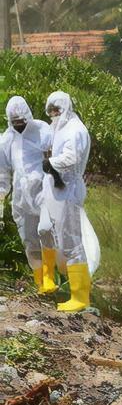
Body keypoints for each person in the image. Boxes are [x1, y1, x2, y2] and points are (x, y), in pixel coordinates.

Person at [39, 92, 93, 313]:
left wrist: (51, 162)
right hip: (54, 188)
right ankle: (49, 279)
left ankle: (80, 297)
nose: (53, 114)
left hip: (68, 189)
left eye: (57, 110)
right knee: (45, 230)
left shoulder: (75, 130)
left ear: (66, 108)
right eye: (50, 110)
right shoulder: (58, 128)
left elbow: (72, 158)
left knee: (71, 242)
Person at [0, 97, 53, 294]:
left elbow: (55, 155)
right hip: (21, 197)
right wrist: (2, 196)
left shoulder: (42, 130)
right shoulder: (6, 140)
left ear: (28, 117)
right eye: (15, 123)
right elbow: (2, 172)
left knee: (46, 230)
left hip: (43, 190)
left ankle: (50, 275)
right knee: (30, 241)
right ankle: (41, 283)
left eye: (22, 122)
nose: (19, 126)